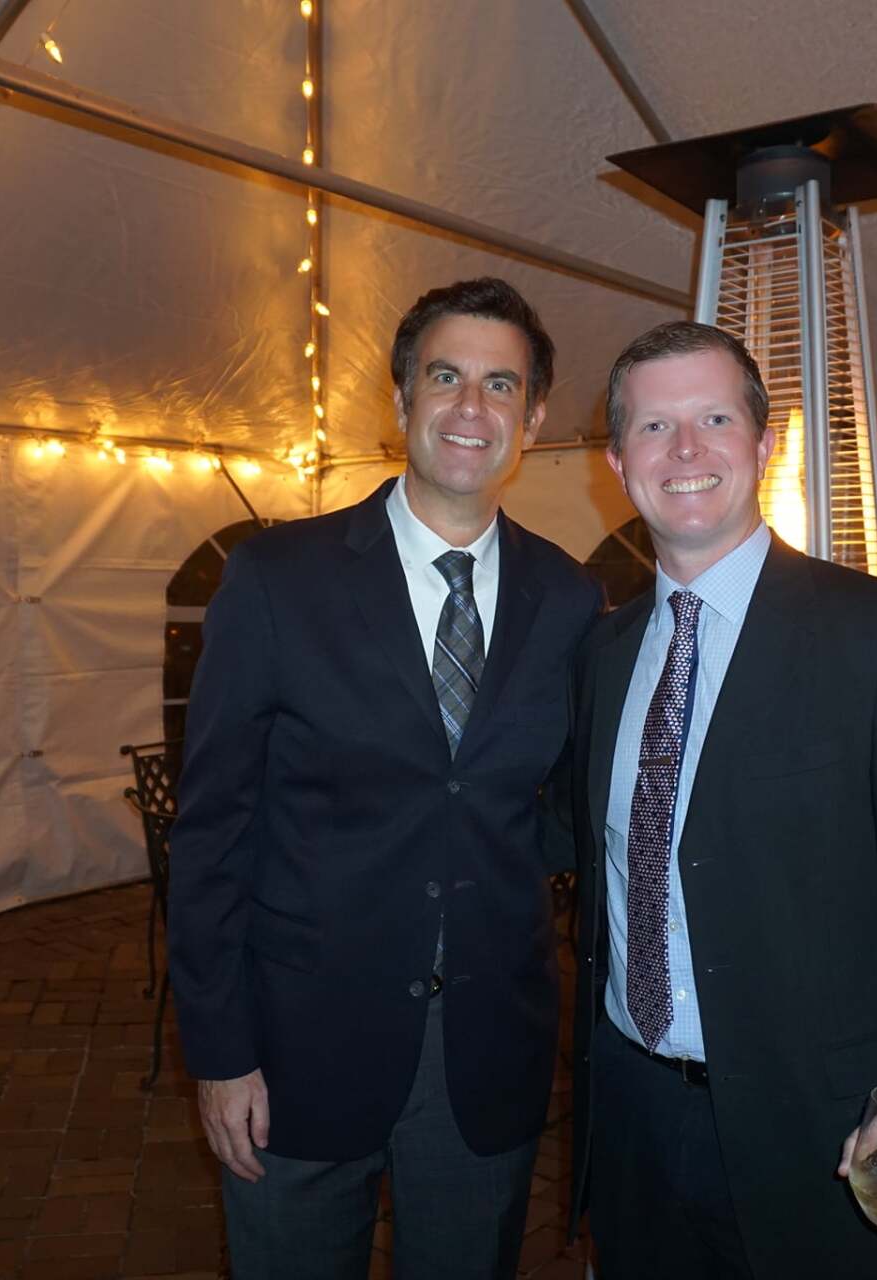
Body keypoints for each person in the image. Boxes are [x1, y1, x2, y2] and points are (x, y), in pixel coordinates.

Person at [164, 277, 602, 1280]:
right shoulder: (279, 577)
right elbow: (214, 827)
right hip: (297, 1044)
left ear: (532, 417)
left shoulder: (569, 598)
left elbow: (578, 810)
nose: (470, 407)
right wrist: (220, 1049)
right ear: (401, 398)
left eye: (501, 384)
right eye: (445, 376)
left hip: (487, 1052)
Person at [566, 320, 877, 1278]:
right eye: (653, 428)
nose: (685, 450)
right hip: (635, 1121)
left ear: (764, 445)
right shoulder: (604, 654)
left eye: (715, 418)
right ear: (615, 461)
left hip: (829, 1130)